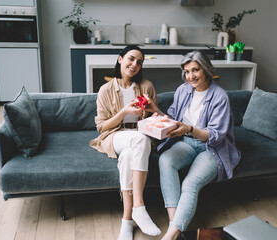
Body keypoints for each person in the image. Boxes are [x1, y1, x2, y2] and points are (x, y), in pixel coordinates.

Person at [155, 51, 241, 240]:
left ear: (206, 70)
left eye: (195, 70)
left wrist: (189, 129)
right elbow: (173, 117)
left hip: (212, 149)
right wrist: (155, 113)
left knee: (190, 183)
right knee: (165, 160)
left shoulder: (220, 97)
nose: (190, 76)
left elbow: (216, 136)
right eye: (186, 72)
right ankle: (174, 225)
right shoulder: (183, 90)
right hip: (187, 143)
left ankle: (170, 236)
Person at [90, 45, 161, 240]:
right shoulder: (105, 90)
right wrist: (124, 112)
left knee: (130, 154)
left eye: (139, 62)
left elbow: (158, 119)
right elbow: (102, 128)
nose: (134, 64)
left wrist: (154, 110)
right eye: (131, 59)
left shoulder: (146, 86)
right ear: (120, 59)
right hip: (115, 135)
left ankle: (127, 221)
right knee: (139, 140)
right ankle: (139, 205)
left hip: (140, 137)